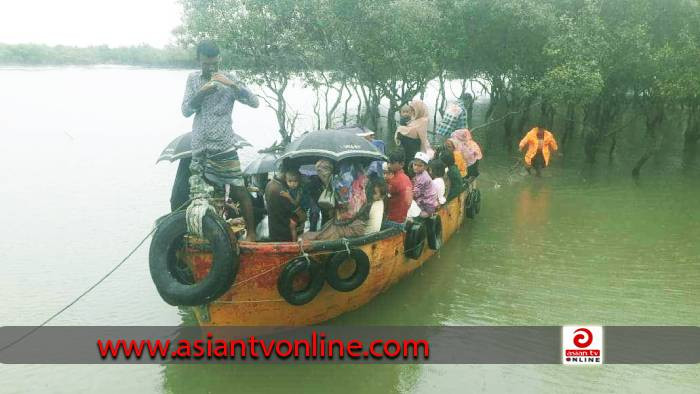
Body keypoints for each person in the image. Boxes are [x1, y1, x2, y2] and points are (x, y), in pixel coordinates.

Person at [181, 40, 260, 241]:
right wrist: (201, 93)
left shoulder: (230, 78)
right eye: (206, 64)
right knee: (204, 196)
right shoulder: (192, 79)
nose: (210, 67)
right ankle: (213, 238)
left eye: (214, 63)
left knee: (238, 188)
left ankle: (251, 234)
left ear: (219, 59)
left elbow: (254, 102)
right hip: (200, 146)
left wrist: (231, 84)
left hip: (224, 144)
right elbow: (185, 111)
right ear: (199, 59)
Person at [304, 161, 369, 241]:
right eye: (319, 172)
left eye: (323, 171)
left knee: (321, 236)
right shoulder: (338, 180)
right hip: (340, 220)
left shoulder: (346, 182)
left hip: (350, 224)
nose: (322, 175)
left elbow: (348, 207)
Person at [395, 100, 432, 172]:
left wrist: (401, 129)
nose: (412, 112)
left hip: (414, 150)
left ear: (419, 109)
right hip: (407, 150)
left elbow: (420, 136)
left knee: (412, 169)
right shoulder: (414, 120)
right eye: (411, 110)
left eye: (413, 110)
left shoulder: (423, 120)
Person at [382, 150, 413, 229]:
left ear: (401, 164)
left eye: (391, 163)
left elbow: (383, 193)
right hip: (403, 216)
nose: (388, 165)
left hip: (395, 220)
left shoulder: (395, 181)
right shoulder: (405, 177)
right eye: (388, 162)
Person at [279, 169, 308, 242]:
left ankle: (294, 242)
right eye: (290, 181)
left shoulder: (299, 191)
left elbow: (296, 203)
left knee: (292, 225)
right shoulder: (288, 189)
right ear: (286, 180)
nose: (293, 184)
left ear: (299, 181)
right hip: (292, 211)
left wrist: (288, 196)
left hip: (299, 211)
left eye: (295, 181)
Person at [411, 152, 438, 218]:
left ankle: (428, 214)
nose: (416, 167)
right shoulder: (421, 173)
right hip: (429, 200)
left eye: (420, 166)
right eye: (415, 165)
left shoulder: (422, 178)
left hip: (428, 204)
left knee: (413, 213)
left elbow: (415, 193)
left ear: (425, 167)